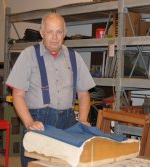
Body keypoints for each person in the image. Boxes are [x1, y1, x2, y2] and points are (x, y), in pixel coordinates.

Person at [6, 12, 96, 167]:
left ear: (65, 34)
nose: (54, 37)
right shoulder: (28, 55)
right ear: (42, 33)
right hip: (39, 121)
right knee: (35, 164)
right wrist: (29, 123)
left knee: (66, 163)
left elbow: (83, 94)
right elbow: (18, 95)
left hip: (68, 121)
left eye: (59, 32)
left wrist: (82, 120)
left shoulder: (74, 57)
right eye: (49, 32)